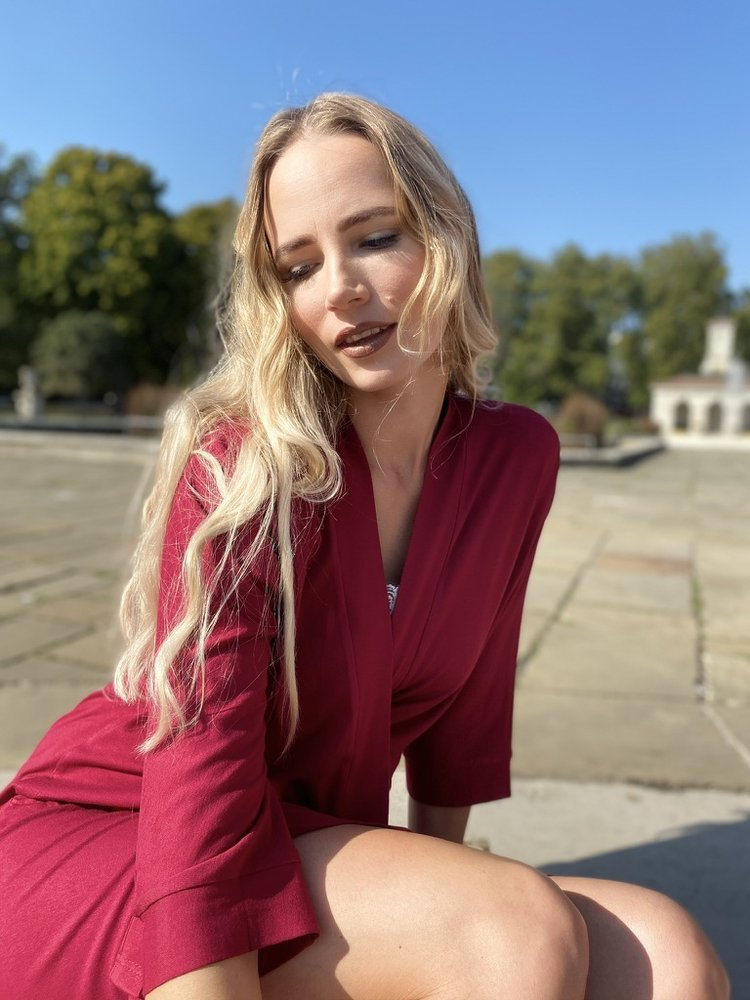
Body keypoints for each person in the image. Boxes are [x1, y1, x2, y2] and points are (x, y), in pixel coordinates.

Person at [0, 93, 728, 1000]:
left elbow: (470, 707)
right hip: (133, 834)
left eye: (376, 238)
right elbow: (197, 770)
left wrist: (448, 889)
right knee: (516, 933)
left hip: (319, 840)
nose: (339, 287)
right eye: (299, 266)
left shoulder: (516, 456)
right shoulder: (244, 463)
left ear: (446, 236)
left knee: (670, 955)